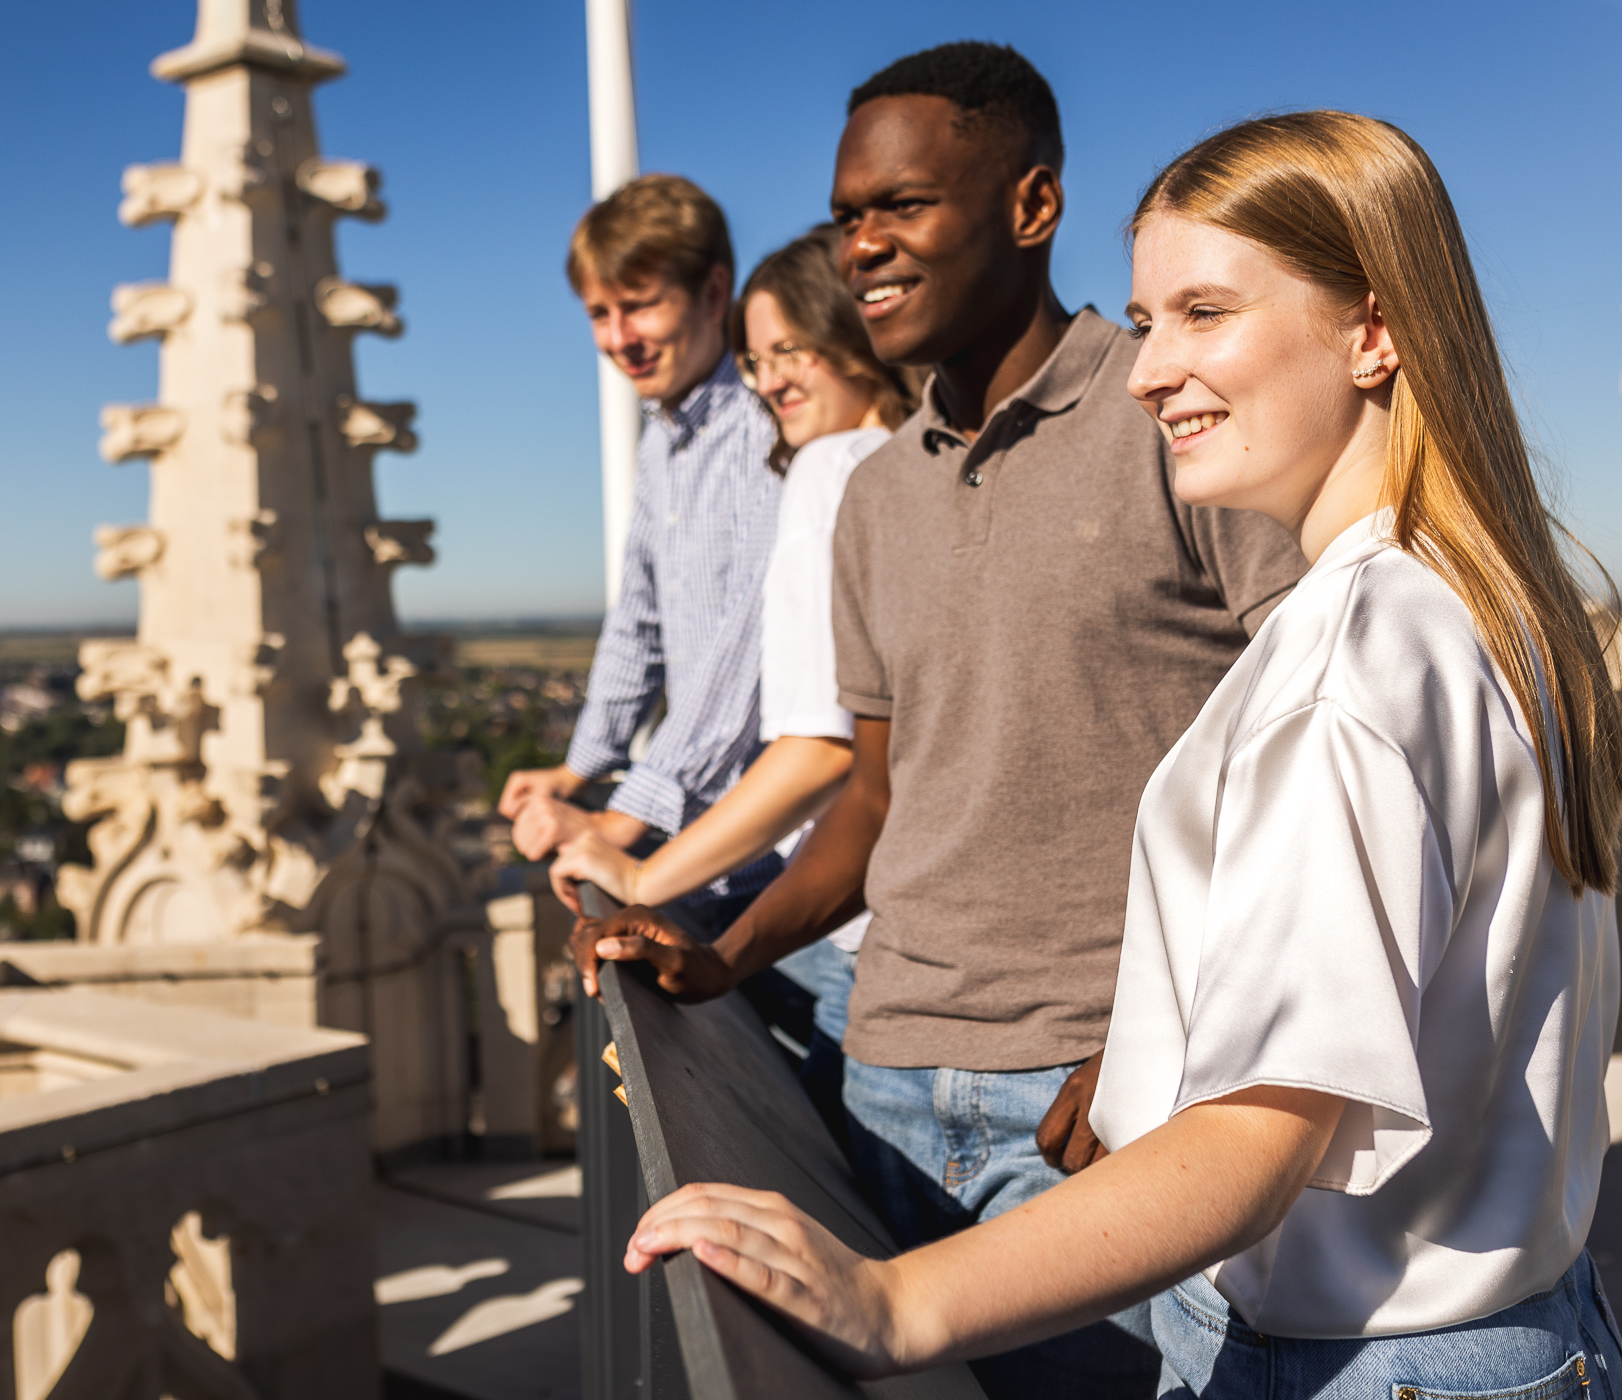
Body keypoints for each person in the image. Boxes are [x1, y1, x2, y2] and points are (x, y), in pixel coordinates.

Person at [618, 109, 1622, 1398]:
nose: (1152, 371)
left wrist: (894, 1298)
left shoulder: (1349, 660)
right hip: (1524, 1324)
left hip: (1368, 1358)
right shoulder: (1471, 602)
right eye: (1150, 321)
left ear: (1373, 329)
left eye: (1206, 313)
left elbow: (1260, 1136)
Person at [571, 42, 1304, 1392]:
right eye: (849, 217)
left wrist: (1169, 1036)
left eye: (901, 207)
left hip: (1094, 1113)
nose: (864, 246)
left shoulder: (1172, 419)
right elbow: (873, 800)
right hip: (887, 1082)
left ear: (1032, 206)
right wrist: (717, 957)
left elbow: (1308, 759)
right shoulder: (876, 496)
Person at [551, 225, 917, 1125]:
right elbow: (639, 622)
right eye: (759, 361)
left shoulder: (830, 468)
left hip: (877, 935)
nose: (770, 383)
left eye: (791, 348)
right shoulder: (918, 465)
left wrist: (642, 872)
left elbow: (820, 748)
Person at [501, 175, 782, 935]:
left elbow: (748, 653)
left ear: (712, 290)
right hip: (709, 858)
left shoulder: (770, 420)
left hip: (784, 862)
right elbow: (641, 623)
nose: (619, 338)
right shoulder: (664, 438)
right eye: (600, 312)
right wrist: (579, 768)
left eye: (641, 304)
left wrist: (621, 821)